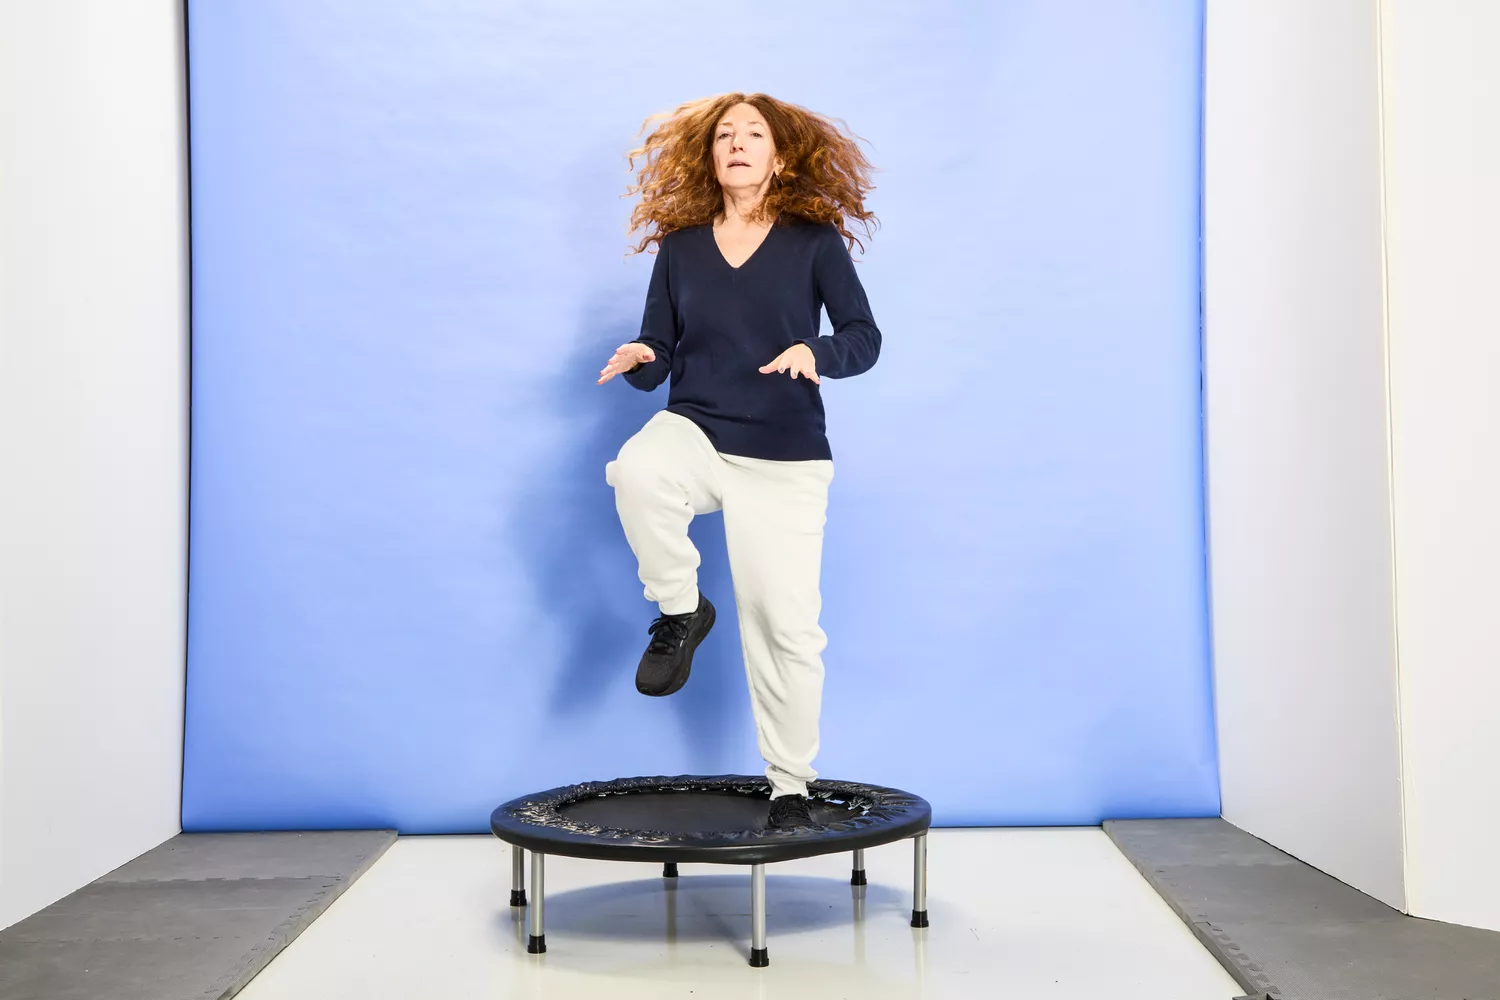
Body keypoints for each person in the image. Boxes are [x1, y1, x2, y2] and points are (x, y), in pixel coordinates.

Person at [597, 92, 881, 829]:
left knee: (786, 627)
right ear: (711, 156)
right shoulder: (681, 247)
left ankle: (791, 787)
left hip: (783, 452)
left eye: (754, 134)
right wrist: (641, 357)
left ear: (779, 157)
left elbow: (863, 337)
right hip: (696, 428)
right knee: (637, 470)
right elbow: (660, 349)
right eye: (725, 134)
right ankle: (682, 609)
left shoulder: (813, 242)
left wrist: (815, 352)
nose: (738, 143)